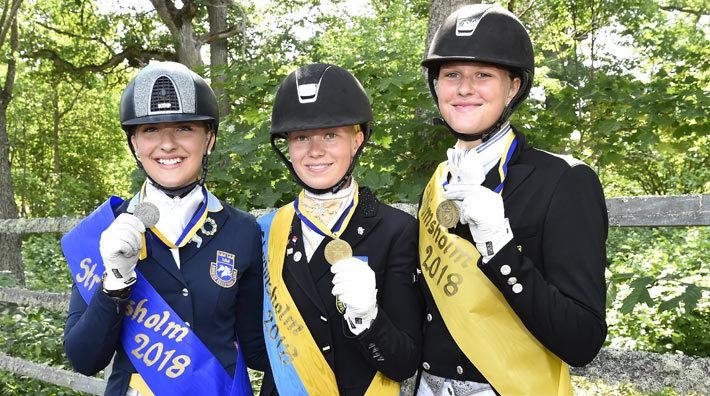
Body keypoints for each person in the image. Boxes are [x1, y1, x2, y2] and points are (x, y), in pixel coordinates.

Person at [416, 4, 608, 395]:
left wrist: (501, 250)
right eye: (451, 74)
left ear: (514, 87)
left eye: (483, 75)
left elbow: (582, 340)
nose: (464, 88)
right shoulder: (438, 181)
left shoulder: (564, 181)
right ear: (436, 85)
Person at [62, 61, 267, 396]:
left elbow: (259, 350)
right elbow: (84, 358)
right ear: (134, 144)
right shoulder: (105, 231)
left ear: (209, 139)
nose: (168, 144)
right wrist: (114, 282)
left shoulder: (243, 230)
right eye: (151, 130)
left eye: (184, 128)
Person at [258, 63, 423, 395]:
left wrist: (368, 318)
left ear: (357, 140)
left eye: (330, 134)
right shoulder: (265, 230)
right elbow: (253, 345)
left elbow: (404, 362)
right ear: (288, 147)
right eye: (301, 137)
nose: (315, 150)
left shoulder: (397, 230)